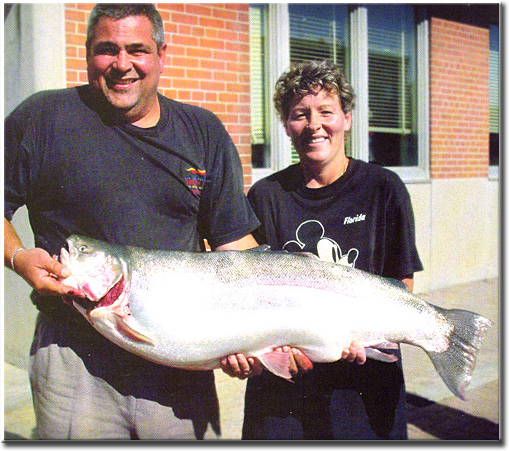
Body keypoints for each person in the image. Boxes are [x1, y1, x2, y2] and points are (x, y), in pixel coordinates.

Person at [4, 3, 264, 440]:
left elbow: (234, 246)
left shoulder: (202, 131)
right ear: (88, 53)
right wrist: (17, 257)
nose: (122, 65)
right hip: (73, 359)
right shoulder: (41, 119)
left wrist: (256, 337)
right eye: (107, 50)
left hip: (181, 355)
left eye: (137, 50)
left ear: (162, 53)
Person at [242, 60, 423, 440]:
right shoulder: (265, 196)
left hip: (365, 390)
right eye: (299, 115)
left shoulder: (383, 188)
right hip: (283, 397)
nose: (313, 125)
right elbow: (251, 294)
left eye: (326, 111)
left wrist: (369, 334)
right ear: (286, 124)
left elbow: (401, 284)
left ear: (347, 118)